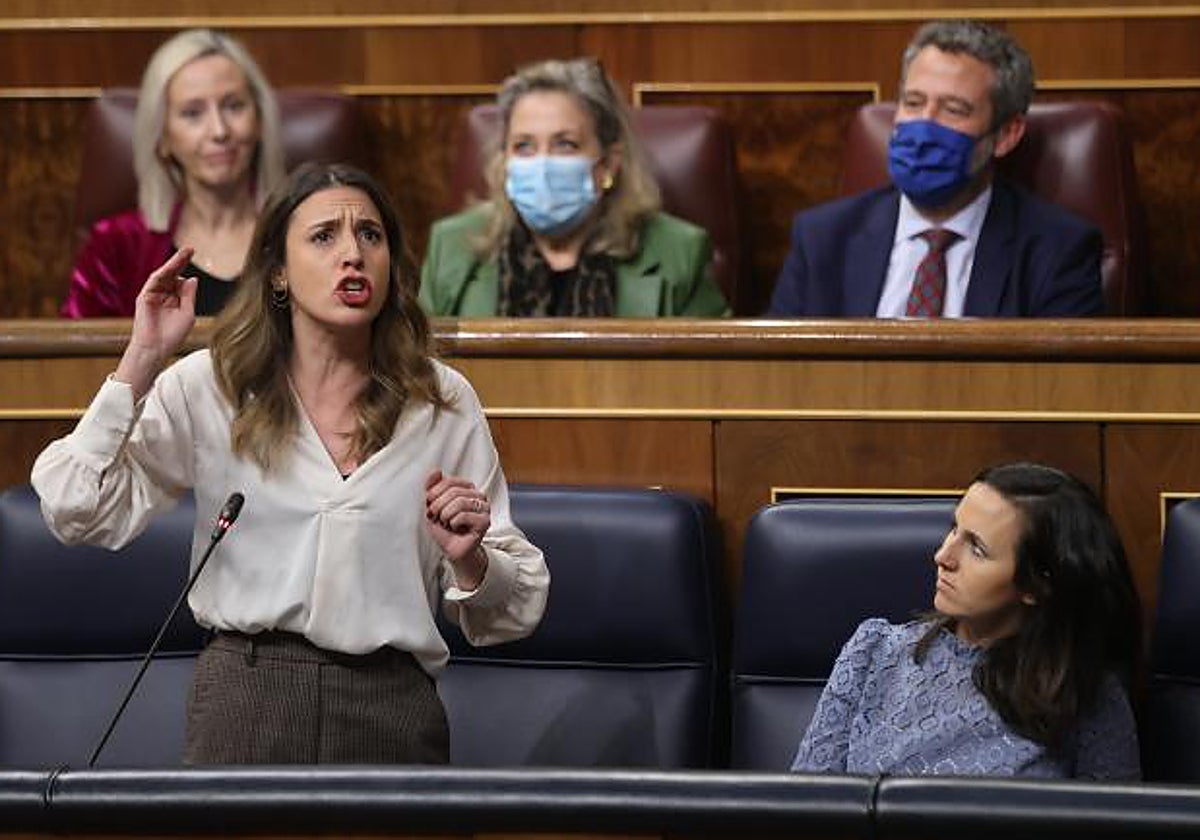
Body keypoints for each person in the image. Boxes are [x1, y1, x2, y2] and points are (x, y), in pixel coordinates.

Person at [33, 162, 549, 764]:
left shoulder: (441, 399)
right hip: (246, 696)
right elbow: (76, 511)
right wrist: (141, 359)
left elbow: (515, 611)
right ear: (278, 271)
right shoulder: (213, 385)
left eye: (371, 236)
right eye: (325, 236)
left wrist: (472, 560)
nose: (352, 254)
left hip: (391, 703)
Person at [792, 463, 1141, 779]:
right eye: (954, 528)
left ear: (1036, 585)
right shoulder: (873, 650)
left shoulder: (1087, 694)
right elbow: (805, 812)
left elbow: (1116, 825)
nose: (942, 556)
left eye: (976, 548)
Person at [769, 20, 1105, 317]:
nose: (924, 129)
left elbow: (1062, 387)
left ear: (1005, 135)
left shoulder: (1057, 250)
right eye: (913, 103)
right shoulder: (823, 239)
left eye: (954, 110)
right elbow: (777, 377)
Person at [419, 57, 729, 318]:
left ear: (608, 164)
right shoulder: (452, 247)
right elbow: (415, 375)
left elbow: (713, 380)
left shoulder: (679, 253)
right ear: (505, 160)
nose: (542, 164)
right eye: (524, 146)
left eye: (565, 144)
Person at [62, 28, 286, 318]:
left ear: (259, 122)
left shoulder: (299, 234)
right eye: (193, 113)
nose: (219, 131)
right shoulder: (116, 246)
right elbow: (77, 360)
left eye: (234, 106)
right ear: (163, 137)